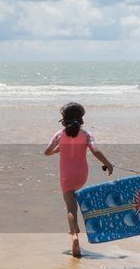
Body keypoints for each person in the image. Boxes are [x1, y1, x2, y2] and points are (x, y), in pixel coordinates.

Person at [44, 102, 113, 258]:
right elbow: (96, 151)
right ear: (81, 118)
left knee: (70, 209)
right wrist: (107, 164)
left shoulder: (59, 134)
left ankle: (74, 235)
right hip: (82, 175)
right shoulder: (87, 134)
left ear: (64, 119)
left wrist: (59, 149)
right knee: (79, 199)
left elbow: (47, 152)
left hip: (66, 176)